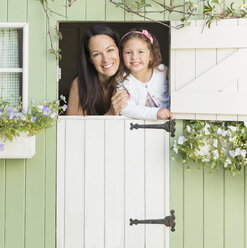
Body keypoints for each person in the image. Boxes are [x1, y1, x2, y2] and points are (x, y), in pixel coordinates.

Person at [67, 25, 129, 115]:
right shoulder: (80, 84)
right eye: (96, 54)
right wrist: (110, 114)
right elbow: (71, 127)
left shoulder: (131, 77)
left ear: (119, 49)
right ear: (90, 59)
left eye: (110, 50)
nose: (106, 59)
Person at [117, 29, 173, 120]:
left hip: (169, 122)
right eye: (128, 52)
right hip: (140, 129)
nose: (134, 57)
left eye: (140, 52)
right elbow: (125, 108)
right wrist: (156, 113)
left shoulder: (162, 71)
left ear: (151, 55)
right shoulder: (121, 80)